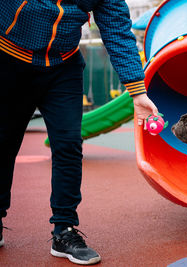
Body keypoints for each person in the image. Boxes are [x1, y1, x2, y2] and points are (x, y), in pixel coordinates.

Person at [0, 0, 158, 265]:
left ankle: (64, 230)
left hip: (63, 65)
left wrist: (137, 90)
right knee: (4, 142)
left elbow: (117, 28)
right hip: (11, 59)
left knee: (69, 144)